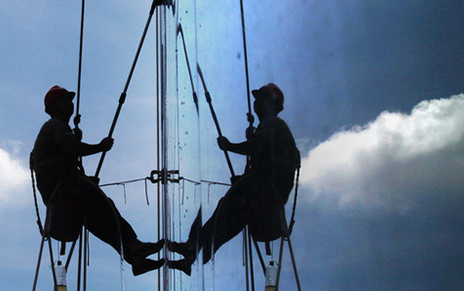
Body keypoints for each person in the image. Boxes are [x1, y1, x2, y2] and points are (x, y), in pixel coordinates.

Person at [32, 85, 164, 275]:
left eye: (70, 100)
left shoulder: (57, 129)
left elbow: (65, 157)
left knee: (101, 224)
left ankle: (133, 258)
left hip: (60, 189)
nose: (70, 104)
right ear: (54, 107)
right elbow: (72, 148)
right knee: (105, 205)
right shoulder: (55, 126)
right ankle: (134, 245)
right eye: (65, 101)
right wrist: (100, 147)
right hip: (62, 188)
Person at [169, 83, 300, 274]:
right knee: (231, 219)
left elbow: (258, 146)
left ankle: (194, 247)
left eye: (260, 99)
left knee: (227, 206)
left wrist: (229, 146)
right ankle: (195, 254)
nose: (256, 103)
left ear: (270, 103)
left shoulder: (274, 124)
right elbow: (269, 162)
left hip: (266, 192)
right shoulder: (272, 129)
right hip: (268, 198)